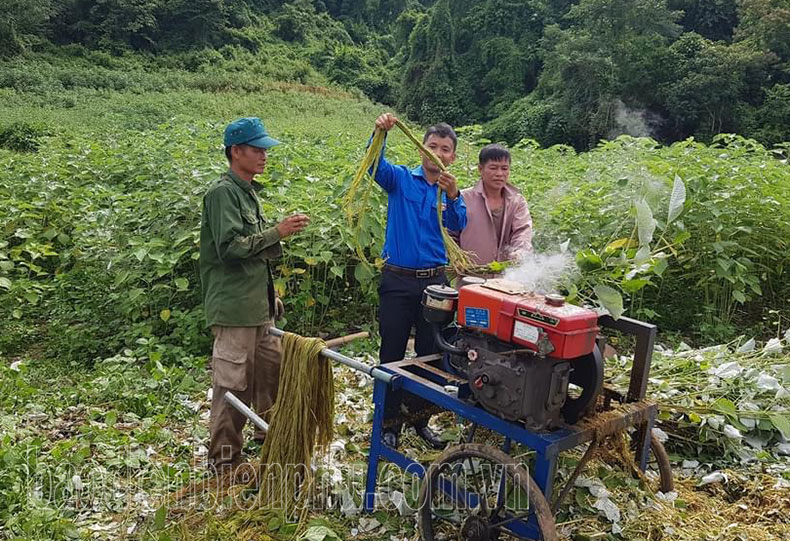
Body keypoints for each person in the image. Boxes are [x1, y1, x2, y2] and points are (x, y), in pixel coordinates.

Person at [199, 117, 310, 474]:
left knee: (270, 376)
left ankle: (271, 440)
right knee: (232, 387)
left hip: (258, 308)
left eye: (265, 149)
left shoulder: (248, 192)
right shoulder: (222, 193)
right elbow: (230, 248)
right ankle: (225, 462)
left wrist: (270, 297)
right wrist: (277, 232)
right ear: (236, 152)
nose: (264, 155)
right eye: (257, 149)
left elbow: (254, 255)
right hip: (233, 311)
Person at [370, 113, 467, 449]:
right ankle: (388, 423)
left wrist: (454, 196)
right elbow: (374, 167)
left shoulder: (450, 189)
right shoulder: (400, 179)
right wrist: (379, 133)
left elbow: (459, 222)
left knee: (430, 353)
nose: (437, 153)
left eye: (445, 148)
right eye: (432, 146)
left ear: (453, 156)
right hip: (397, 281)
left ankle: (419, 420)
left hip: (435, 284)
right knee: (392, 352)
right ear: (421, 149)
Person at [456, 144, 532, 266]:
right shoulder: (463, 198)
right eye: (493, 168)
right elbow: (451, 234)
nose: (499, 173)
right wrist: (457, 259)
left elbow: (522, 231)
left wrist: (520, 251)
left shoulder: (517, 201)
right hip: (470, 276)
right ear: (480, 169)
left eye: (504, 168)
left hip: (507, 277)